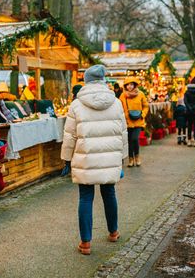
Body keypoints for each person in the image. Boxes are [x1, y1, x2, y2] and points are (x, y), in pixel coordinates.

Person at [61, 65, 128, 256]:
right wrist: (122, 157)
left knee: (85, 198)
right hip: (109, 157)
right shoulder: (115, 102)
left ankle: (86, 243)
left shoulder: (76, 104)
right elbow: (123, 133)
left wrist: (66, 159)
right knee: (109, 193)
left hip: (86, 158)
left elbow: (70, 136)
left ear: (86, 80)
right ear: (103, 80)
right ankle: (113, 232)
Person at [119, 77, 149, 166]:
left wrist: (143, 115)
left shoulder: (140, 94)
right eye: (127, 85)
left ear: (135, 85)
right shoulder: (122, 96)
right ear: (125, 86)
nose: (129, 86)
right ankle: (131, 159)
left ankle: (137, 157)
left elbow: (146, 106)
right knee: (129, 141)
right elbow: (119, 107)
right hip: (127, 122)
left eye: (131, 84)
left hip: (138, 121)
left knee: (135, 139)